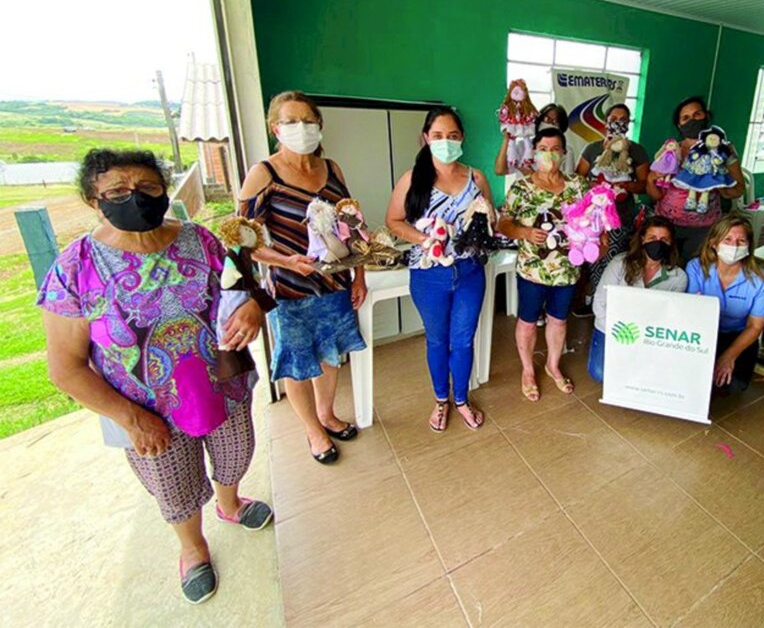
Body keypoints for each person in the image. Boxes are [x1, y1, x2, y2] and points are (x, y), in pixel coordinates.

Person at [39, 149, 273, 604]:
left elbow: (240, 287)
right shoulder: (76, 267)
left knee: (234, 454)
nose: (136, 198)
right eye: (118, 192)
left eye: (147, 188)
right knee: (173, 481)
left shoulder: (200, 240)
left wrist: (250, 307)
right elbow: (64, 366)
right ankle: (193, 548)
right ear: (94, 200)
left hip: (221, 385)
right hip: (146, 408)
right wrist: (128, 418)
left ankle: (230, 505)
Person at [238, 91, 366, 466]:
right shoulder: (264, 173)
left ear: (319, 125)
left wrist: (359, 275)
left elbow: (351, 225)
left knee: (330, 354)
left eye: (308, 121)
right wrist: (287, 262)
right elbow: (244, 240)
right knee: (297, 361)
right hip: (290, 289)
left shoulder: (333, 169)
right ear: (274, 127)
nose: (301, 129)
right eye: (291, 122)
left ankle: (327, 413)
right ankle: (312, 428)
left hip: (334, 284)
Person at [386, 106, 493, 432]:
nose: (445, 142)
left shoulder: (476, 177)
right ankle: (440, 401)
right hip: (428, 274)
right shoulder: (412, 178)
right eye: (437, 136)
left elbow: (491, 219)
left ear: (462, 139)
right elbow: (393, 221)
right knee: (437, 340)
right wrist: (424, 238)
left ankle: (461, 399)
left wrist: (486, 217)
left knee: (462, 340)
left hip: (469, 272)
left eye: (453, 136)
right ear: (425, 138)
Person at [498, 127, 589, 401]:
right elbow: (503, 223)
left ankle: (552, 365)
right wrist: (524, 233)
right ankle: (527, 370)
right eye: (543, 148)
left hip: (566, 269)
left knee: (558, 321)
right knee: (527, 322)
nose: (549, 154)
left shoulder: (578, 185)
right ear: (534, 152)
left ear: (564, 153)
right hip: (532, 270)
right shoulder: (522, 187)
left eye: (555, 149)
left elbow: (593, 220)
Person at [589, 215, 687, 382]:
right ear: (642, 240)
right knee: (600, 373)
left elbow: (670, 316)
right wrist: (620, 333)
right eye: (652, 238)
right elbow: (599, 303)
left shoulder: (678, 276)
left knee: (650, 375)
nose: (658, 243)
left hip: (649, 334)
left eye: (664, 239)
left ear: (671, 243)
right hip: (613, 328)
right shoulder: (620, 263)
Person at [647, 96, 746, 260]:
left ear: (706, 116)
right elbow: (656, 194)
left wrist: (717, 182)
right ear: (679, 125)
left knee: (694, 272)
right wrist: (651, 179)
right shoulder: (671, 151)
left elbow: (738, 189)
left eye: (697, 114)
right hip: (667, 226)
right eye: (685, 118)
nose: (692, 120)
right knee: (666, 270)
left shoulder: (723, 150)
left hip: (704, 228)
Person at [686, 215, 764, 394]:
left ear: (749, 246)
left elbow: (755, 326)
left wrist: (728, 357)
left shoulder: (761, 280)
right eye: (727, 239)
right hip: (702, 331)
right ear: (713, 242)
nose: (734, 246)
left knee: (731, 385)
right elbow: (690, 310)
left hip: (737, 335)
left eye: (741, 241)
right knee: (694, 379)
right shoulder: (696, 268)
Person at [576, 103, 650, 315]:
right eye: (613, 118)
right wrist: (597, 187)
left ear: (628, 123)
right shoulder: (592, 149)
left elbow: (644, 184)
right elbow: (578, 180)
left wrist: (623, 186)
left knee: (613, 259)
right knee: (592, 258)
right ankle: (593, 300)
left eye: (623, 119)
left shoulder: (636, 151)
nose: (618, 122)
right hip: (593, 217)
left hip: (621, 216)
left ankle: (610, 303)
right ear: (605, 122)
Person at [494, 103, 575, 178]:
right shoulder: (523, 146)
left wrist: (532, 175)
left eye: (555, 122)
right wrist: (507, 138)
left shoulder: (566, 151)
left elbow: (568, 182)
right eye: (546, 119)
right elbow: (499, 170)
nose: (550, 124)